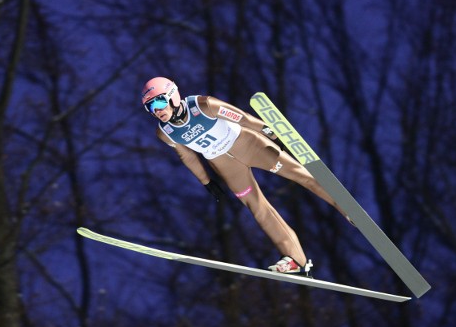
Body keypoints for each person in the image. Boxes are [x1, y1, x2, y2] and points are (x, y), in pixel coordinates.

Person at [141, 76, 350, 274]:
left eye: (158, 103)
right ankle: (296, 260)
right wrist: (206, 182)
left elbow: (243, 118)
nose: (156, 111)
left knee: (300, 174)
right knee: (257, 207)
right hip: (224, 165)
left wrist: (272, 133)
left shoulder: (203, 105)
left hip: (248, 144)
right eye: (150, 107)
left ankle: (347, 208)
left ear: (172, 96)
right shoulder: (165, 132)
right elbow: (187, 156)